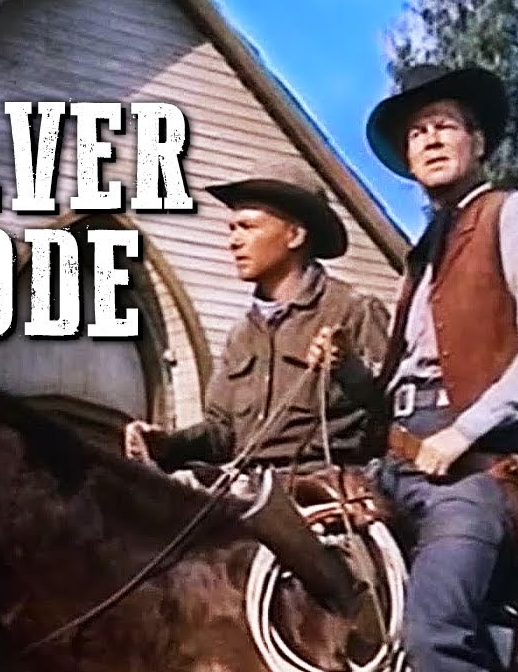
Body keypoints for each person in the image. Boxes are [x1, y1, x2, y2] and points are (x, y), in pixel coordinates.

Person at [312, 65, 518, 672]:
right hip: (393, 466)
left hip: (474, 473)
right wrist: (349, 371)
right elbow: (404, 385)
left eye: (445, 126)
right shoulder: (422, 255)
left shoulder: (516, 215)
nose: (430, 140)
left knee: (435, 628)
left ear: (478, 141)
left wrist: (465, 431)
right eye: (416, 133)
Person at [122, 159, 389, 480]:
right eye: (232, 229)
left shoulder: (353, 311)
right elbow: (221, 434)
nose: (233, 241)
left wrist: (349, 369)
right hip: (245, 486)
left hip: (322, 487)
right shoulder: (241, 335)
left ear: (294, 236)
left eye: (248, 227)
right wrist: (167, 444)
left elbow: (390, 413)